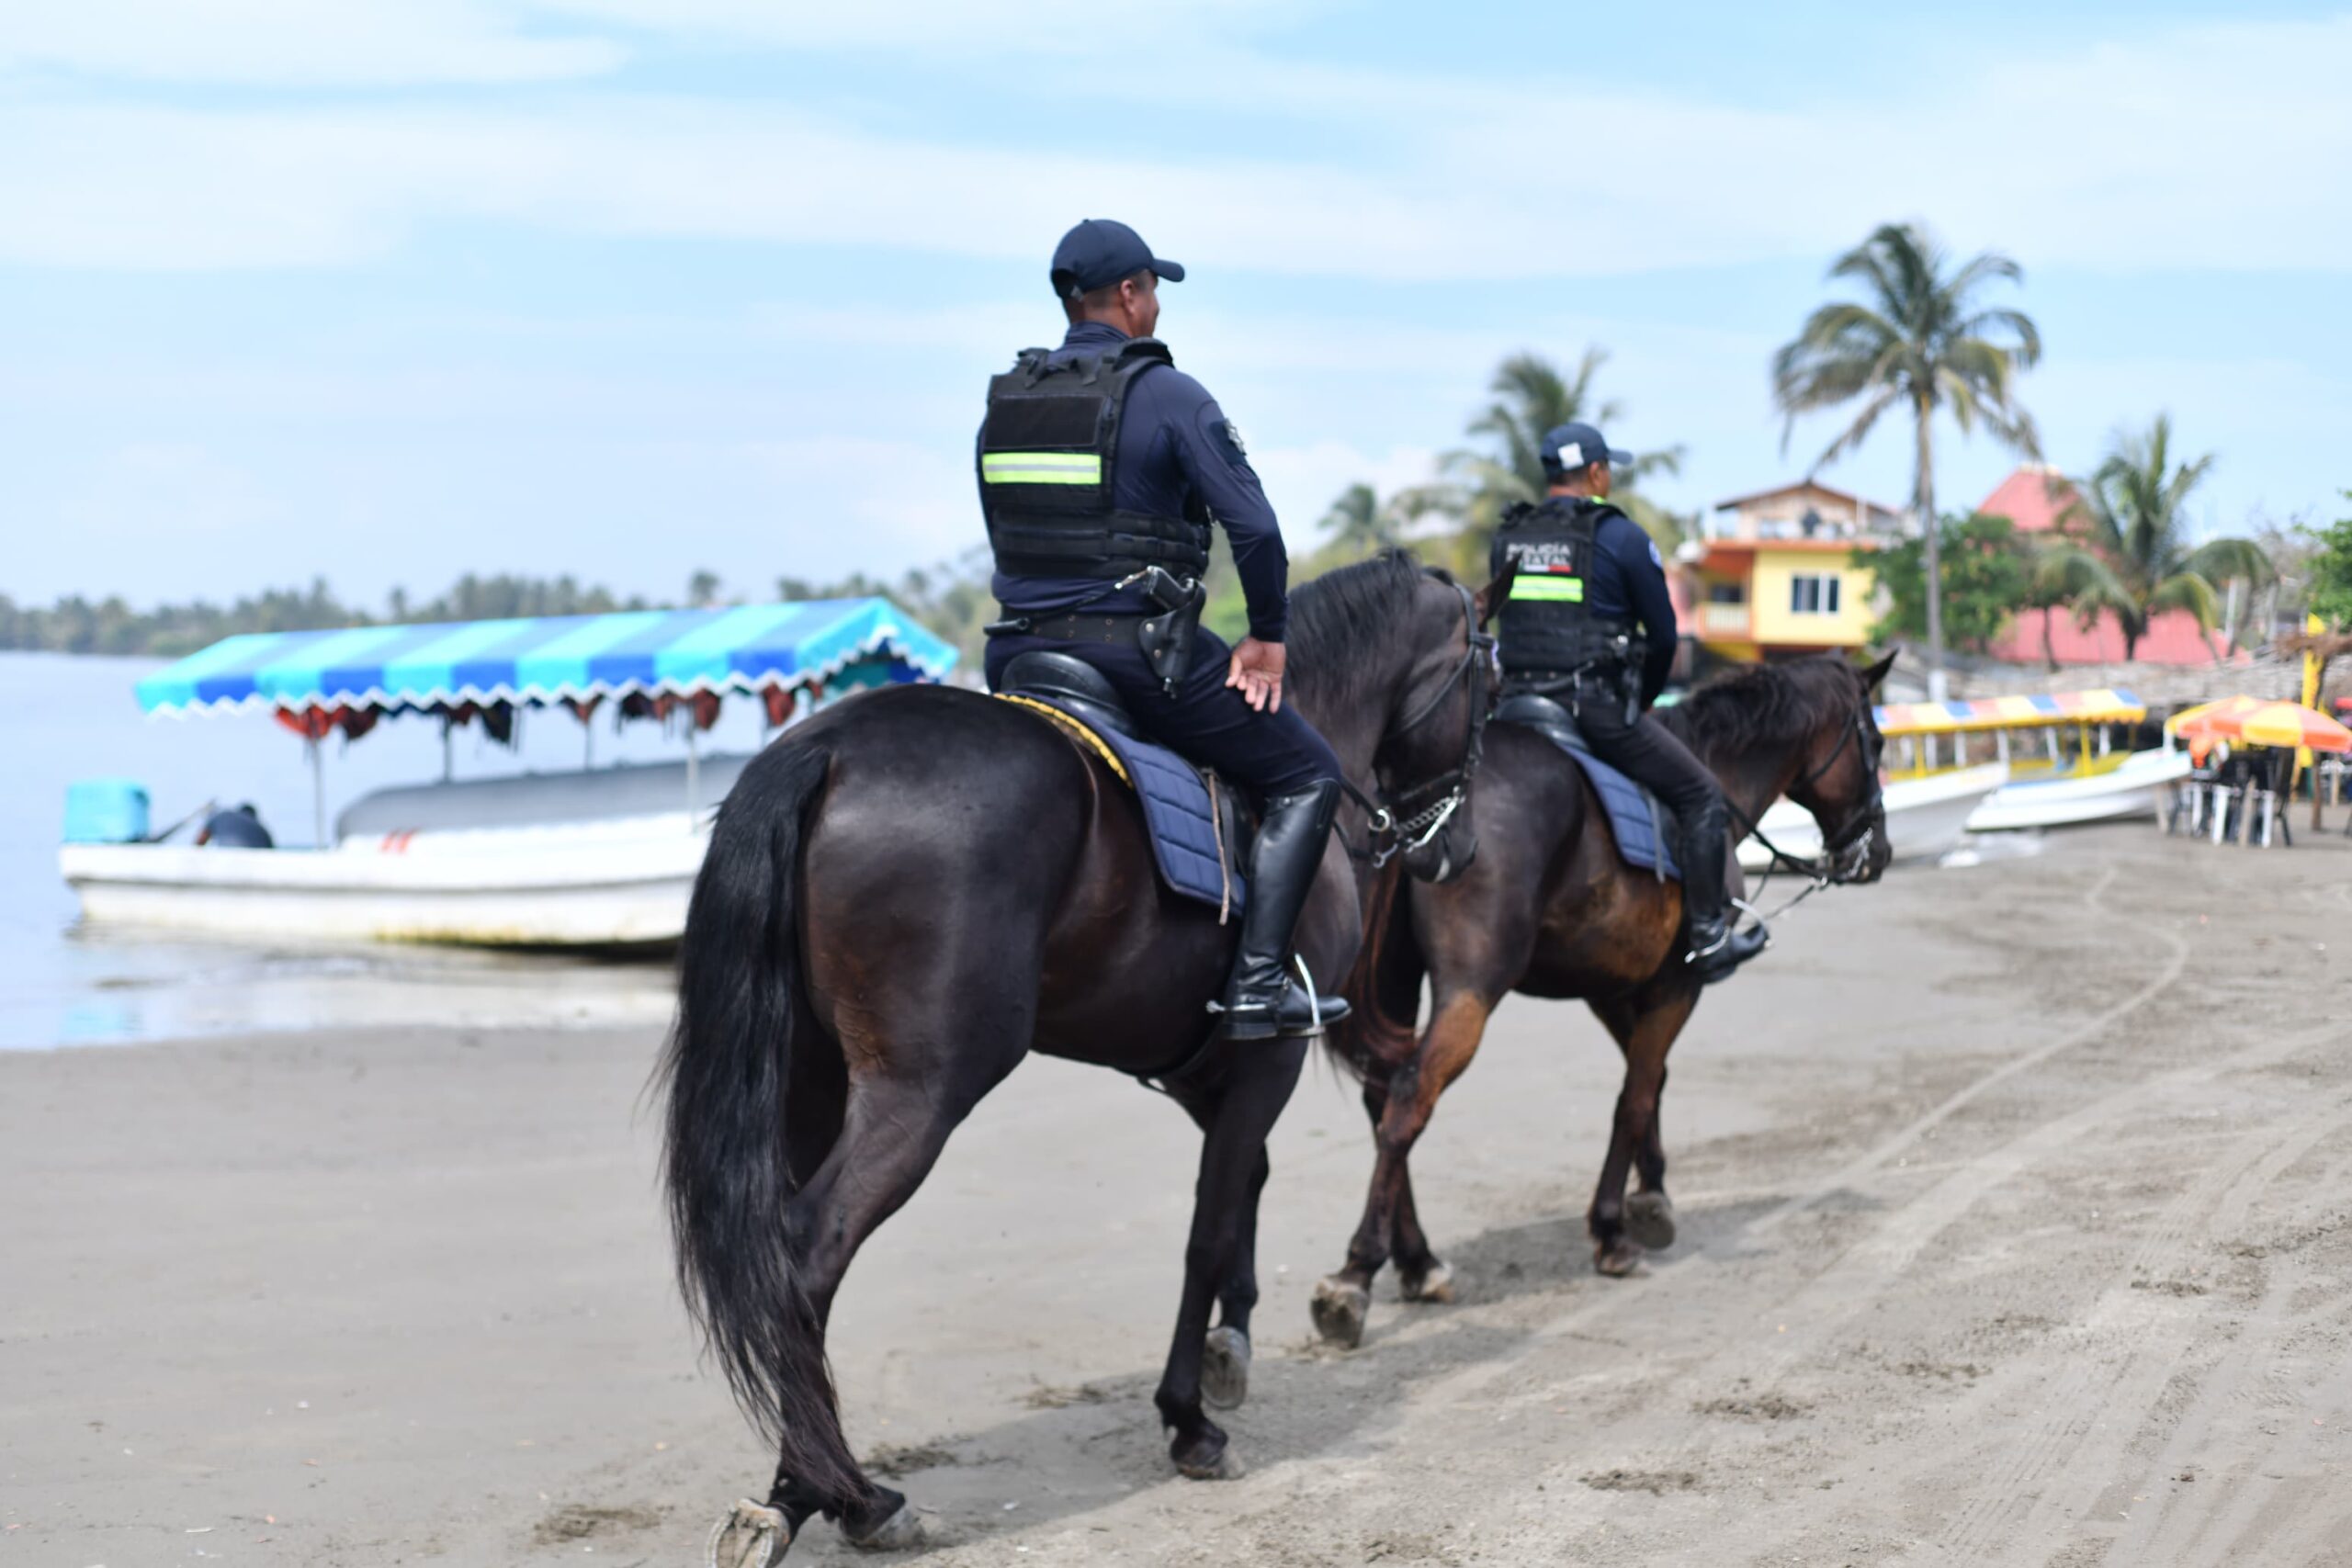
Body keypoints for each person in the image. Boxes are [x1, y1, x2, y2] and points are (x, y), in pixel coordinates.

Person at [978, 219, 1348, 1040]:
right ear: (1130, 294)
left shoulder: (1008, 402)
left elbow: (1003, 531)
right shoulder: (1168, 393)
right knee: (1309, 773)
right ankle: (1257, 984)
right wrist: (1267, 634)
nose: (1154, 307)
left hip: (1017, 653)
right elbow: (1255, 529)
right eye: (1152, 290)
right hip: (1132, 656)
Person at [1489, 422, 1767, 984]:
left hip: (1514, 707)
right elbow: (1663, 637)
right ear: (1596, 473)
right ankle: (1708, 935)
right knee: (1702, 797)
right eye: (1607, 469)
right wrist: (1638, 702)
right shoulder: (1621, 538)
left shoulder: (1509, 537)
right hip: (1589, 708)